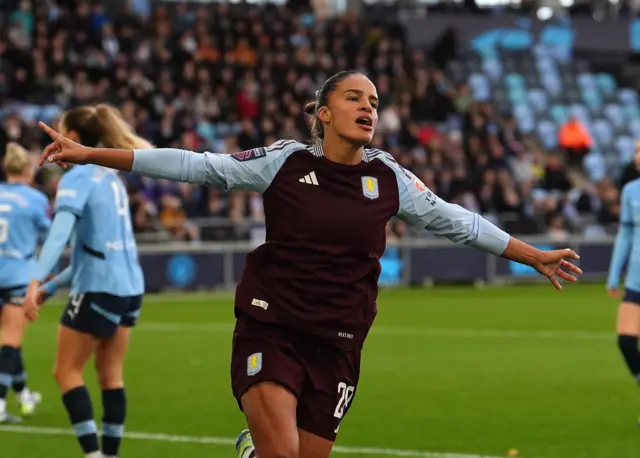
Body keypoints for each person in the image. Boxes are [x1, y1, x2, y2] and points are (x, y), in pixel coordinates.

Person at [34, 71, 582, 458]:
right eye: (353, 97)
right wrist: (90, 154)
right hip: (272, 329)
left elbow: (457, 220)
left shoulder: (388, 177)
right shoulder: (285, 162)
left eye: (373, 99)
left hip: (340, 343)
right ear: (324, 114)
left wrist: (533, 256)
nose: (368, 107)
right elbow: (195, 166)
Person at [23, 104, 149, 458]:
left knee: (65, 372)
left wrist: (34, 280)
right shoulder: (110, 176)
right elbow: (92, 249)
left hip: (99, 286)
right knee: (111, 376)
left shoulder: (76, 178)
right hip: (130, 289)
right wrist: (49, 287)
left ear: (73, 138)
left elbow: (61, 234)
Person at [0, 142, 49, 423]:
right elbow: (51, 235)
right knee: (11, 339)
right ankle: (1, 404)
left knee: (10, 339)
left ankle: (23, 394)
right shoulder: (34, 200)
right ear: (28, 170)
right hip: (18, 277)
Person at [607, 145, 640, 420]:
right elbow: (626, 235)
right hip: (636, 280)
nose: (637, 156)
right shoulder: (630, 191)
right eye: (636, 150)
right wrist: (614, 273)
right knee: (626, 342)